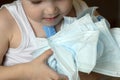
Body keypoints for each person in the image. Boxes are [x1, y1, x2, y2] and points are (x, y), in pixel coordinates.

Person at [0, 0, 118, 80]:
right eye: (37, 1)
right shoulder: (7, 21)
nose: (51, 10)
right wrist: (26, 72)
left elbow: (109, 50)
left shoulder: (81, 10)